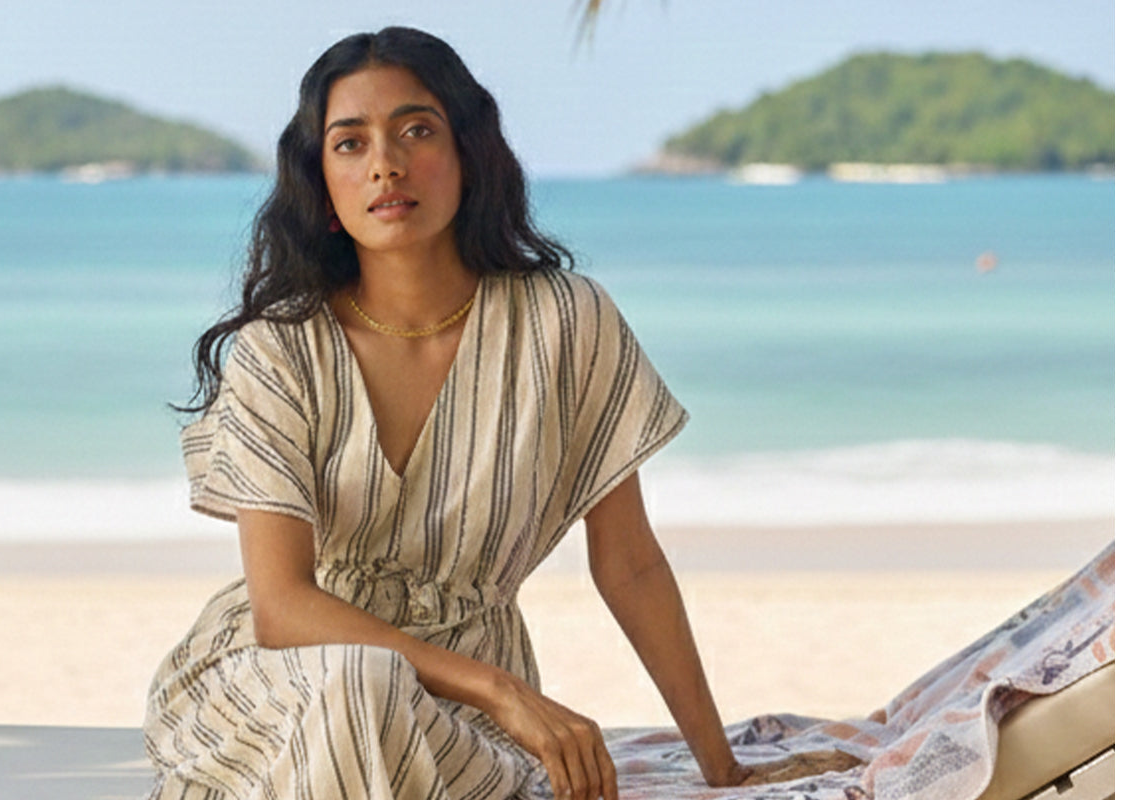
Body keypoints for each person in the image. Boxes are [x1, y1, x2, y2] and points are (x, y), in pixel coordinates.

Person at [143, 27, 852, 800]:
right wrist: (504, 691)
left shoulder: (565, 321)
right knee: (358, 686)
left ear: (470, 153)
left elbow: (632, 563)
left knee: (375, 707)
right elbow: (281, 607)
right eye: (351, 143)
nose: (386, 162)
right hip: (277, 680)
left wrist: (722, 767)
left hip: (464, 719)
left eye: (417, 130)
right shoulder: (279, 349)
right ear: (323, 185)